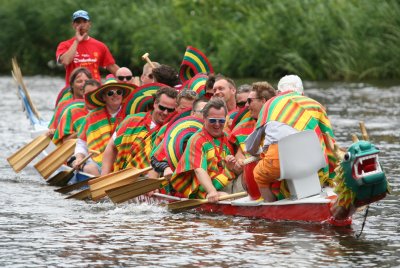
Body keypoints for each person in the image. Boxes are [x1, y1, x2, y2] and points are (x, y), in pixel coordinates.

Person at [244, 75, 336, 202]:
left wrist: (257, 153)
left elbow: (251, 146)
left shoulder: (270, 104)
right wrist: (331, 176)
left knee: (259, 175)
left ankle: (270, 207)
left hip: (280, 164)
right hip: (313, 162)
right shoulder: (315, 105)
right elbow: (329, 140)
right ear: (302, 93)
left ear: (277, 93)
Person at [170, 99, 236, 202]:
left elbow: (232, 168)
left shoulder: (228, 136)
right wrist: (212, 191)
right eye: (213, 120)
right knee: (226, 198)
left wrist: (234, 166)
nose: (217, 124)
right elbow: (199, 169)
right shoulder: (197, 139)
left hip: (225, 181)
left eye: (221, 121)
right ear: (204, 118)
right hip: (204, 190)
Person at [101, 86, 178, 174]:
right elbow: (111, 146)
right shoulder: (132, 120)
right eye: (162, 108)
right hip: (120, 177)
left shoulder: (172, 131)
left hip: (148, 184)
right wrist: (104, 176)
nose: (165, 113)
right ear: (155, 103)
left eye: (170, 110)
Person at [73, 77, 134, 175]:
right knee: (90, 169)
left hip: (123, 162)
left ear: (122, 95)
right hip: (96, 161)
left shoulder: (130, 115)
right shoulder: (91, 116)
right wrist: (79, 158)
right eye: (110, 93)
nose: (115, 95)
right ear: (103, 97)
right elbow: (81, 143)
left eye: (119, 92)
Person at [56, 10, 119, 86]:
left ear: (89, 24)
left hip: (94, 91)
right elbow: (65, 61)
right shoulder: (64, 45)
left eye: (84, 22)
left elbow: (112, 67)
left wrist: (129, 78)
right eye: (78, 22)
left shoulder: (100, 46)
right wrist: (77, 41)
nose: (81, 25)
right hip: (74, 91)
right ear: (73, 25)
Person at [52, 79, 101, 145]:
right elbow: (65, 142)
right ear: (83, 94)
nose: (91, 98)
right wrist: (84, 131)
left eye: (94, 94)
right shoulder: (72, 111)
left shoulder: (106, 111)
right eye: (88, 94)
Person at [48, 67, 92, 138]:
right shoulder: (64, 103)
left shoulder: (98, 101)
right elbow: (53, 130)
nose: (83, 84)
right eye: (79, 81)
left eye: (87, 81)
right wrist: (52, 131)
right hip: (70, 138)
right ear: (72, 84)